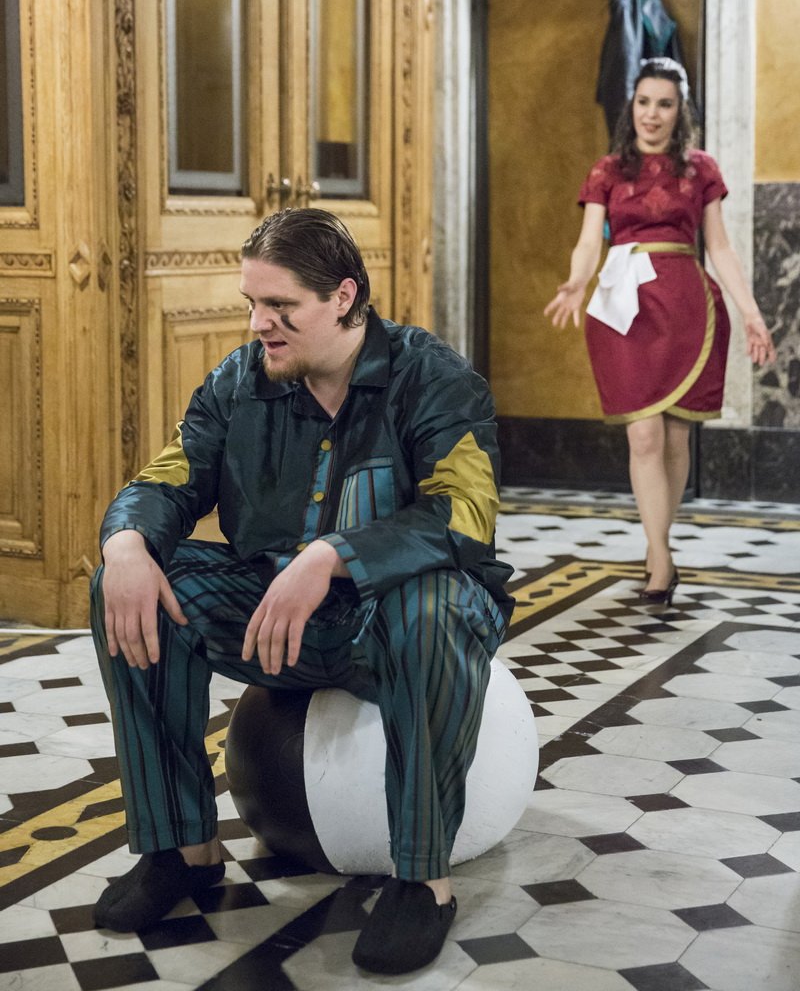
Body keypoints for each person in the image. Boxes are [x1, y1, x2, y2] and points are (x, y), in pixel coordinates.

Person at [89, 207, 514, 976]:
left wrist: (332, 556)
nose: (260, 323)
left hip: (398, 618)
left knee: (430, 605)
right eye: (253, 303)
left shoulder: (434, 379)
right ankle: (181, 849)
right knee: (131, 584)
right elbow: (167, 480)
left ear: (343, 297)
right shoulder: (238, 383)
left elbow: (463, 515)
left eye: (280, 306)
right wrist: (125, 542)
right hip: (275, 616)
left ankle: (423, 881)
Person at [545, 57, 775, 605]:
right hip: (624, 308)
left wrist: (750, 311)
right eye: (644, 102)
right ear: (632, 106)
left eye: (664, 104)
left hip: (688, 305)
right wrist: (576, 281)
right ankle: (661, 557)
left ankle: (657, 549)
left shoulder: (701, 170)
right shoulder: (607, 170)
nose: (652, 114)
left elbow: (720, 247)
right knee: (643, 434)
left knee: (674, 437)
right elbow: (588, 241)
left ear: (680, 111)